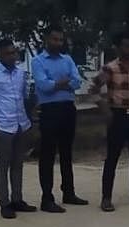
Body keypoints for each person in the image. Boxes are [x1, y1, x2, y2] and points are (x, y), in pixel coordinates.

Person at [92, 31, 129, 212]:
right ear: (118, 48)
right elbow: (93, 89)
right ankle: (106, 198)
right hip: (117, 116)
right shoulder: (109, 69)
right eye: (126, 46)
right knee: (112, 158)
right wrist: (104, 108)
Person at [31, 25, 88, 213]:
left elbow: (77, 82)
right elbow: (43, 85)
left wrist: (57, 83)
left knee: (66, 152)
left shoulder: (67, 59)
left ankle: (69, 192)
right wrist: (62, 83)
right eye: (54, 39)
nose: (58, 43)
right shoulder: (37, 61)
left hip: (67, 109)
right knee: (47, 155)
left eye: (60, 40)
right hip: (49, 111)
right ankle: (47, 198)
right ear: (47, 40)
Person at [0, 38, 36, 220]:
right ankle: (4, 204)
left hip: (21, 124)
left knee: (18, 164)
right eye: (8, 53)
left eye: (14, 52)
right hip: (3, 126)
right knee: (2, 166)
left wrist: (29, 120)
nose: (13, 56)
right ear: (0, 54)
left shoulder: (21, 74)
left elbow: (23, 97)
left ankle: (17, 199)